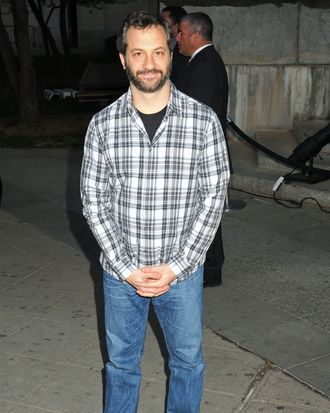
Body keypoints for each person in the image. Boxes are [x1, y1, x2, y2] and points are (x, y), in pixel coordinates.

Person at [80, 10, 229, 413]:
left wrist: (177, 266)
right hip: (120, 276)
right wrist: (128, 268)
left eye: (159, 52)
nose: (149, 63)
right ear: (124, 59)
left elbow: (214, 196)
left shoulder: (203, 122)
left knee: (187, 364)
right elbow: (93, 202)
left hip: (181, 273)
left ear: (171, 55)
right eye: (139, 53)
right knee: (121, 367)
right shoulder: (102, 125)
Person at [175, 12, 229, 287]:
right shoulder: (202, 62)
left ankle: (209, 270)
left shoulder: (204, 66)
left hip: (200, 155)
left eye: (181, 33)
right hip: (202, 153)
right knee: (206, 211)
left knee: (205, 212)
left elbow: (196, 116)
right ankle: (209, 269)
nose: (177, 38)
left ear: (195, 36)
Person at [161, 6, 189, 83]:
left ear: (176, 26)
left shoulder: (184, 51)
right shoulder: (176, 47)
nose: (159, 24)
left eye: (163, 21)